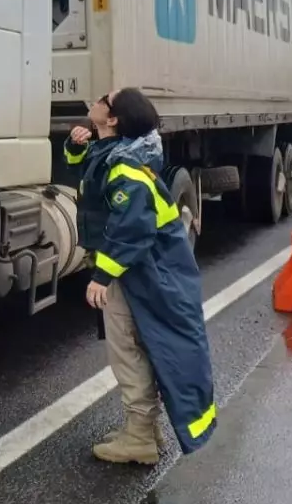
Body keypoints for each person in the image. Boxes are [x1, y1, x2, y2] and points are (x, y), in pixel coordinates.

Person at [64, 89, 217, 465]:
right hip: (143, 271)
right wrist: (74, 147)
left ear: (112, 119)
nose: (97, 100)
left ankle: (139, 437)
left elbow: (131, 229)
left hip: (136, 272)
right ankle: (144, 429)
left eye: (104, 99)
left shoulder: (126, 168)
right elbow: (91, 182)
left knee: (128, 351)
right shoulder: (117, 154)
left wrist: (101, 276)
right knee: (137, 345)